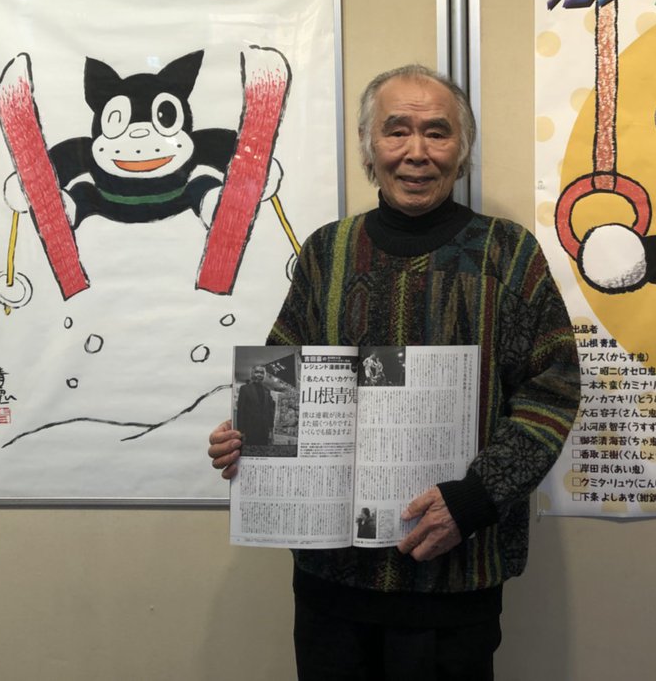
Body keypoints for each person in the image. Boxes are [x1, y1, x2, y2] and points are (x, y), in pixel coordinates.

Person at [207, 65, 580, 680]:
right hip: (331, 580)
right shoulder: (326, 253)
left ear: (461, 151)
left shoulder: (508, 255)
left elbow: (554, 389)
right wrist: (248, 437)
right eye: (396, 130)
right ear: (368, 147)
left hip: (454, 577)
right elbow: (282, 374)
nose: (416, 152)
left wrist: (476, 497)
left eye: (437, 132)